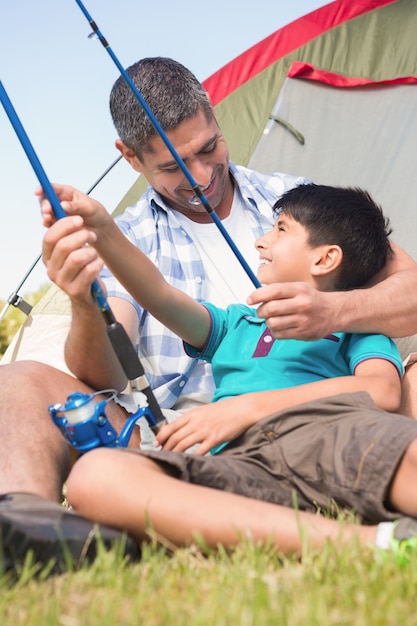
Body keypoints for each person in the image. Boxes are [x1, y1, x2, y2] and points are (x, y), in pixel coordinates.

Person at [0, 57, 417, 570]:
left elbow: (398, 331)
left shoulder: (305, 205)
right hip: (196, 441)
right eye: (173, 166)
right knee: (40, 410)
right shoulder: (223, 315)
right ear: (130, 158)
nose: (199, 177)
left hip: (327, 422)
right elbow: (134, 328)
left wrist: (335, 310)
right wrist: (95, 271)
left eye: (208, 149)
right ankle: (31, 532)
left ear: (214, 116)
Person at [39, 179, 417, 556]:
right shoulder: (236, 325)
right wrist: (103, 229)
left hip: (329, 436)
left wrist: (246, 408)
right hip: (237, 463)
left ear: (324, 259)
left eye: (280, 229)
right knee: (96, 477)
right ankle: (371, 544)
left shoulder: (353, 327)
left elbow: (383, 390)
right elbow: (159, 294)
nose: (261, 241)